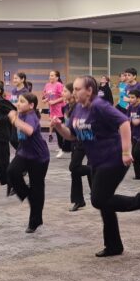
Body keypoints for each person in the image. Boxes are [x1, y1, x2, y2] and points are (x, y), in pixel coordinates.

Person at [51, 76, 140, 257]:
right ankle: (114, 246)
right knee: (105, 202)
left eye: (77, 89)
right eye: (73, 89)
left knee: (98, 199)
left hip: (114, 158)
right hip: (97, 160)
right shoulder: (77, 109)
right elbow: (72, 135)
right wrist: (59, 127)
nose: (74, 92)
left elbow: (124, 122)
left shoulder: (99, 106)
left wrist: (126, 151)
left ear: (89, 91)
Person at [7, 93, 50, 233]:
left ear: (31, 105)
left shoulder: (31, 116)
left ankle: (35, 221)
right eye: (18, 101)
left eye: (22, 101)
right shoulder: (21, 114)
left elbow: (29, 130)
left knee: (37, 187)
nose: (18, 104)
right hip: (24, 153)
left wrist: (14, 119)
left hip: (39, 157)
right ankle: (29, 195)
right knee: (12, 171)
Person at [64, 83, 91, 211]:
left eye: (65, 91)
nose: (62, 93)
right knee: (75, 170)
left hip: (88, 140)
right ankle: (78, 200)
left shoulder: (81, 106)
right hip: (76, 141)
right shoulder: (68, 107)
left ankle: (96, 173)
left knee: (74, 167)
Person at [43, 70, 65, 156]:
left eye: (52, 75)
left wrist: (54, 102)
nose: (50, 77)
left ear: (57, 77)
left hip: (59, 110)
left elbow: (63, 97)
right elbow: (47, 96)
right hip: (52, 110)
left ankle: (62, 148)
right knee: (56, 128)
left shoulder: (59, 85)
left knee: (59, 129)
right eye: (50, 75)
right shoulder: (47, 85)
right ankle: (61, 146)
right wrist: (45, 100)